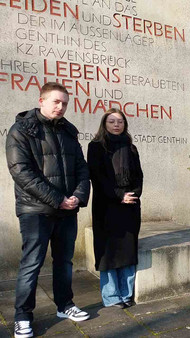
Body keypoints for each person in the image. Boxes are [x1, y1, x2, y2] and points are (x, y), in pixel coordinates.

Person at [6, 82, 91, 338]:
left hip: (67, 210)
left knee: (64, 262)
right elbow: (21, 172)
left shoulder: (68, 131)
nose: (60, 106)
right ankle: (22, 317)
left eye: (64, 102)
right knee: (31, 263)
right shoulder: (21, 130)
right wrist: (57, 199)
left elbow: (82, 168)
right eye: (55, 101)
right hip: (36, 210)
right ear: (41, 100)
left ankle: (65, 305)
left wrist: (77, 196)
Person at [87, 109, 143, 309]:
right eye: (112, 121)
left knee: (127, 252)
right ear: (105, 124)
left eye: (120, 121)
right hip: (107, 206)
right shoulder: (95, 147)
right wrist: (120, 196)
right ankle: (111, 297)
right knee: (109, 253)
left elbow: (139, 176)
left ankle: (126, 293)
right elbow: (97, 177)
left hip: (130, 207)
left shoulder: (131, 148)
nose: (116, 124)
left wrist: (133, 194)